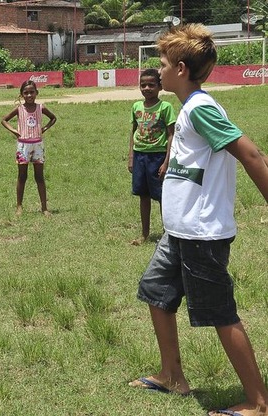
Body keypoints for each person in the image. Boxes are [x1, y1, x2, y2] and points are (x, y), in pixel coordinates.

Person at [128, 24, 268, 416]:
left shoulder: (202, 108)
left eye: (163, 63)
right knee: (156, 292)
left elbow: (251, 155)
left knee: (220, 314)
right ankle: (172, 374)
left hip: (202, 235)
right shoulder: (190, 109)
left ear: (182, 69)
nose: (159, 69)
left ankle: (259, 402)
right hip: (179, 231)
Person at [128, 68, 176, 245]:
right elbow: (133, 131)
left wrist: (166, 161)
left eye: (151, 85)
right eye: (143, 85)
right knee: (143, 195)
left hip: (158, 157)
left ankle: (168, 234)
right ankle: (145, 234)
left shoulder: (166, 107)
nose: (147, 88)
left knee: (163, 196)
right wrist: (131, 156)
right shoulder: (136, 107)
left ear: (160, 87)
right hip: (140, 155)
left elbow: (171, 135)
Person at [1, 80, 57, 216]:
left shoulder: (41, 108)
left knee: (39, 177)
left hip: (37, 145)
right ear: (21, 95)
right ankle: (19, 206)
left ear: (37, 93)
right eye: (25, 93)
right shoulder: (19, 109)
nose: (29, 95)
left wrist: (44, 129)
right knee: (22, 176)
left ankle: (44, 207)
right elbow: (4, 120)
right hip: (23, 146)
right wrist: (14, 131)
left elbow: (53, 118)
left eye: (32, 92)